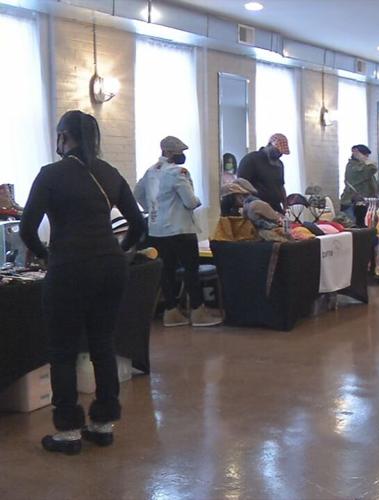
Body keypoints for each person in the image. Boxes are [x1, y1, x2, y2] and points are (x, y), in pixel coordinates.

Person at [20, 110, 145, 454]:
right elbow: (137, 223)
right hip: (110, 267)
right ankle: (103, 425)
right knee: (102, 344)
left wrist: (46, 255)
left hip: (69, 268)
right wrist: (118, 251)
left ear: (63, 137)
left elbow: (27, 228)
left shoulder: (50, 175)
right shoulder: (110, 173)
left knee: (62, 351)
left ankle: (68, 432)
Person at [135, 136, 222, 328]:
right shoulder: (178, 172)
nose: (182, 156)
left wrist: (152, 209)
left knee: (166, 272)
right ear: (167, 152)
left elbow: (138, 194)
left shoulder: (150, 172)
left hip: (156, 230)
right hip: (181, 229)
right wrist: (198, 201)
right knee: (191, 270)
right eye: (179, 152)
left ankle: (171, 312)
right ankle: (198, 312)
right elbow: (190, 201)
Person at [237, 133, 290, 213]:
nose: (280, 154)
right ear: (269, 145)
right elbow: (241, 185)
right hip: (257, 208)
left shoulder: (279, 164)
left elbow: (281, 186)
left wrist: (285, 206)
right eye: (277, 150)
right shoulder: (251, 159)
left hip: (275, 207)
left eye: (282, 153)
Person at [340, 144, 378, 227]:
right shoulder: (352, 167)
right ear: (356, 153)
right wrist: (368, 162)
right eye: (364, 155)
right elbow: (372, 168)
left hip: (362, 204)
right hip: (352, 204)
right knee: (356, 231)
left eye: (367, 156)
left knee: (364, 230)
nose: (366, 158)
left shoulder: (362, 166)